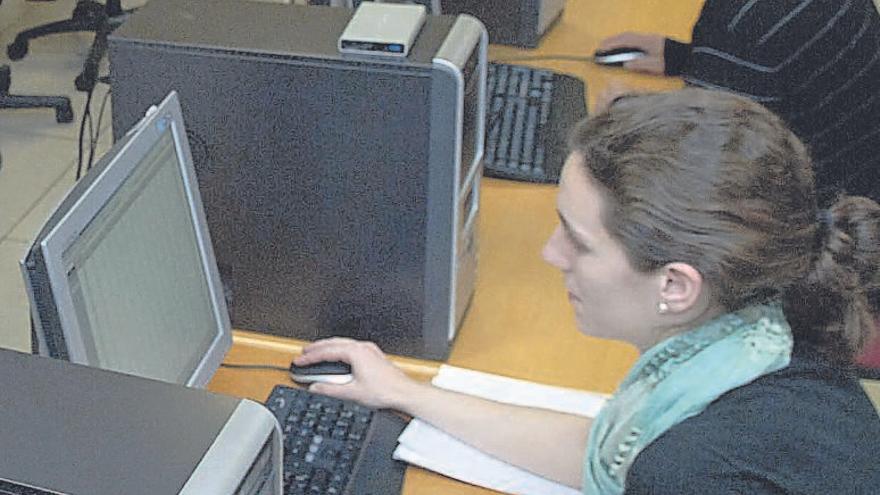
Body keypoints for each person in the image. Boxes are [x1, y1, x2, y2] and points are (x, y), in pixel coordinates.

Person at [295, 89, 880, 494]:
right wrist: (408, 393)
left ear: (675, 285)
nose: (551, 254)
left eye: (578, 240)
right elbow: (603, 450)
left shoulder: (697, 468)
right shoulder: (768, 336)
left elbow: (651, 466)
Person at [597, 0, 880, 205]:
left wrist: (627, 116)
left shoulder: (740, 21)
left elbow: (700, 169)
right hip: (861, 203)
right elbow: (796, 65)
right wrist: (696, 59)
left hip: (809, 243)